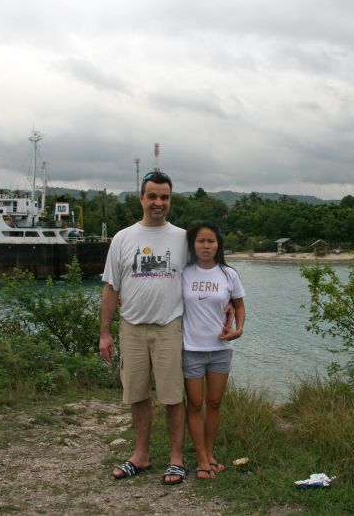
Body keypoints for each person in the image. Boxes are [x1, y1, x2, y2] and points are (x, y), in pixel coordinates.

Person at [99, 170, 189, 485]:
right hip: (132, 328)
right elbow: (111, 287)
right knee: (137, 394)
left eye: (164, 196)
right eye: (152, 196)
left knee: (172, 395)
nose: (158, 202)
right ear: (141, 198)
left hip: (169, 327)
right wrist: (105, 333)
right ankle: (141, 455)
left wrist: (231, 301)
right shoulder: (123, 238)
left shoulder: (182, 238)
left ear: (170, 200)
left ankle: (176, 459)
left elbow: (206, 271)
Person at [181, 220, 245, 480]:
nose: (206, 246)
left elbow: (239, 305)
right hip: (191, 349)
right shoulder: (183, 272)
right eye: (201, 241)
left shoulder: (228, 274)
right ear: (193, 244)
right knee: (195, 404)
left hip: (220, 349)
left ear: (218, 245)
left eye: (211, 241)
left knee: (215, 403)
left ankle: (209, 453)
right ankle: (201, 459)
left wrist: (238, 329)